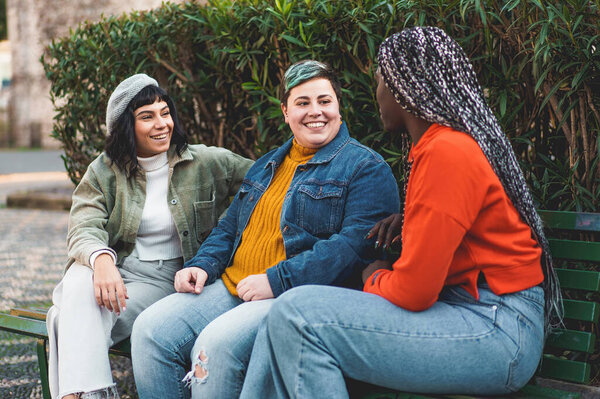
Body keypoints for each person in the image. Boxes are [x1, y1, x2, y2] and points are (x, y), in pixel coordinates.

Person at [238, 26, 562, 398]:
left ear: (402, 89)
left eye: (379, 81)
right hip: (472, 313)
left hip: (496, 328)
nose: (376, 93)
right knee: (279, 321)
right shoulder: (437, 147)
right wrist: (412, 224)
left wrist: (374, 275)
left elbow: (415, 291)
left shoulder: (447, 152)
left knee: (296, 315)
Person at [130, 60, 400, 398]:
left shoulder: (365, 167)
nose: (315, 111)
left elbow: (352, 249)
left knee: (213, 347)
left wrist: (276, 280)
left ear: (338, 108)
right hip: (234, 285)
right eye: (303, 103)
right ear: (286, 112)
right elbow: (230, 226)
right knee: (150, 331)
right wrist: (202, 264)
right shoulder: (268, 164)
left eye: (324, 101)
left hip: (293, 295)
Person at [45, 73, 253, 399]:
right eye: (147, 116)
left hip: (168, 281)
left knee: (64, 317)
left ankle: (78, 395)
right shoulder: (104, 170)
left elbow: (264, 181)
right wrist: (101, 260)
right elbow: (84, 223)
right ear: (127, 126)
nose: (161, 124)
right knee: (78, 281)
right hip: (122, 272)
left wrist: (232, 229)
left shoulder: (206, 161)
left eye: (164, 112)